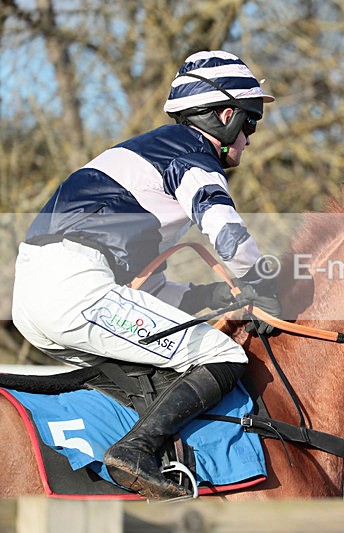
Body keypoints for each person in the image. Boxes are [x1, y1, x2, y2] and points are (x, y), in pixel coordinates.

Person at [11, 50, 281, 499]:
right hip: (76, 289)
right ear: (226, 115)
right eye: (251, 122)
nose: (250, 138)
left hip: (44, 298)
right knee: (225, 356)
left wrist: (212, 293)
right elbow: (227, 233)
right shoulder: (191, 153)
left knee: (154, 365)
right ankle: (134, 453)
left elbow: (150, 292)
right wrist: (263, 278)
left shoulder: (146, 163)